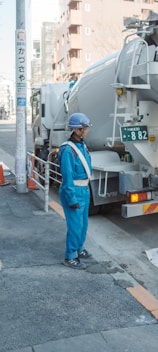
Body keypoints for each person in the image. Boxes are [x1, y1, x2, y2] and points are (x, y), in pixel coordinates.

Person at [58, 113, 93, 270]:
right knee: (75, 225)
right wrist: (71, 199)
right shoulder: (67, 150)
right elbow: (67, 178)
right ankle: (70, 256)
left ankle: (79, 248)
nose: (87, 131)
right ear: (78, 130)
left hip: (84, 189)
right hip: (73, 191)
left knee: (83, 224)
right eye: (85, 128)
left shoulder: (82, 145)